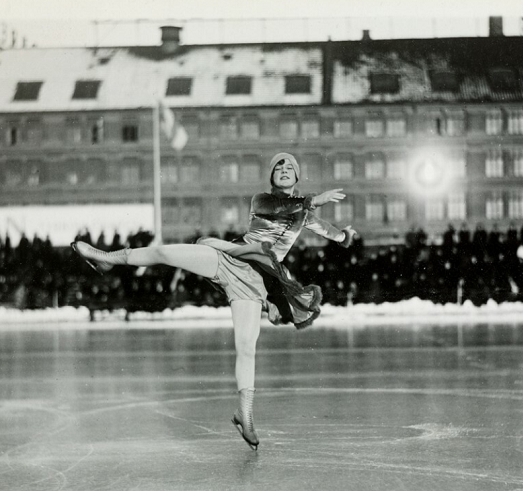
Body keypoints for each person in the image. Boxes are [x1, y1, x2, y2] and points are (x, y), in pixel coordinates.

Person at [71, 152, 356, 451]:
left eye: (290, 168)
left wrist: (344, 235)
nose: (284, 170)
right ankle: (105, 259)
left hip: (256, 281)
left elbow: (326, 230)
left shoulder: (304, 211)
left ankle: (244, 414)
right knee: (166, 254)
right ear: (271, 177)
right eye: (278, 167)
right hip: (230, 259)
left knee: (246, 347)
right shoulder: (262, 200)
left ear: (297, 177)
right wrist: (314, 200)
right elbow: (281, 206)